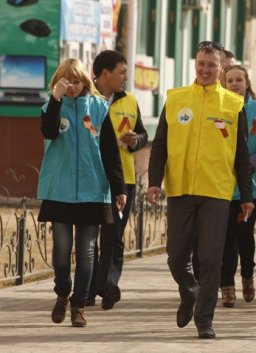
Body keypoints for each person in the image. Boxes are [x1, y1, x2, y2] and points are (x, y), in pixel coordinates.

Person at [146, 41, 254, 339]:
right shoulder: (177, 98)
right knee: (176, 257)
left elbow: (241, 155)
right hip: (181, 189)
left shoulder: (233, 105)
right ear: (195, 64)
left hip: (217, 192)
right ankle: (189, 290)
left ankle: (204, 319)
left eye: (212, 65)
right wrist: (155, 181)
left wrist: (246, 196)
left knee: (210, 258)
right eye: (201, 63)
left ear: (222, 69)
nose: (205, 69)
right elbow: (160, 146)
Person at [37, 58, 126, 327]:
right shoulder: (51, 107)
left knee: (87, 252)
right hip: (59, 190)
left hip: (92, 190)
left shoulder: (99, 108)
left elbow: (110, 151)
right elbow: (49, 131)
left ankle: (78, 305)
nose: (72, 86)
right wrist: (56, 99)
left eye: (76, 80)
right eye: (66, 81)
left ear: (85, 81)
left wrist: (119, 188)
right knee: (62, 250)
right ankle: (62, 291)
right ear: (58, 82)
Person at [86, 50, 148, 310]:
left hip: (124, 181)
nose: (125, 77)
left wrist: (136, 140)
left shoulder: (130, 101)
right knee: (89, 239)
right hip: (91, 178)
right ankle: (88, 290)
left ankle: (108, 286)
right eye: (121, 72)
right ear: (105, 74)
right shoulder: (85, 100)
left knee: (114, 236)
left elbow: (143, 134)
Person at [220, 64, 256, 307]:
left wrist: (248, 164)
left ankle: (247, 276)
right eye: (230, 80)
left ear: (247, 83)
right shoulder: (218, 109)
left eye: (239, 80)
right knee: (226, 237)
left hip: (249, 185)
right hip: (222, 184)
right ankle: (227, 286)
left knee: (244, 234)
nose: (234, 84)